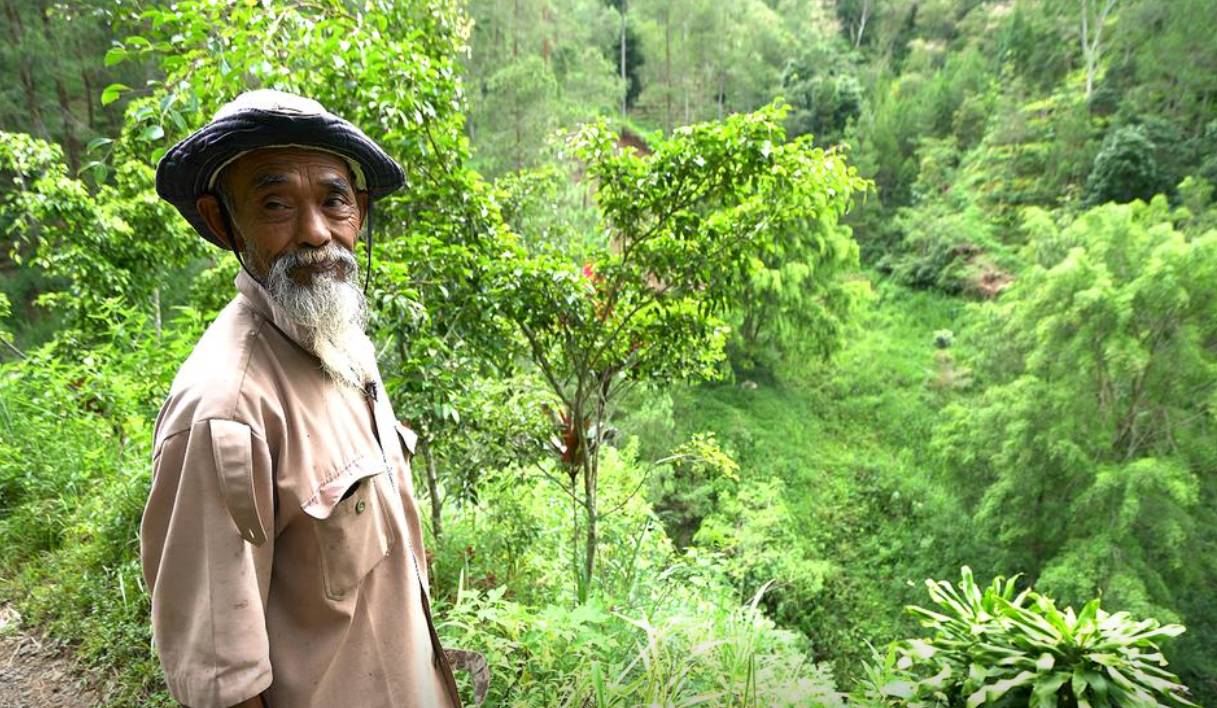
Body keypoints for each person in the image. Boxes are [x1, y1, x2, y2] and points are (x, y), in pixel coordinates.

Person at [140, 89, 461, 708]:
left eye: (334, 199)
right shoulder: (224, 411)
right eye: (276, 203)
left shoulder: (344, 344)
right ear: (221, 220)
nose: (316, 232)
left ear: (359, 212)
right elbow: (220, 680)